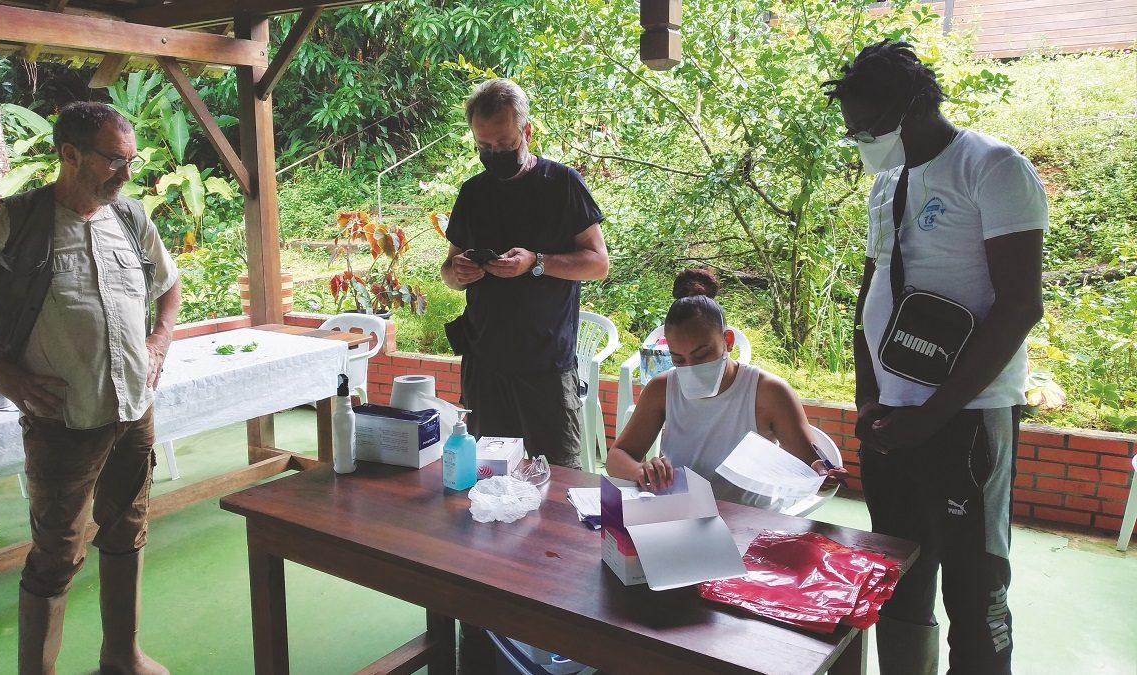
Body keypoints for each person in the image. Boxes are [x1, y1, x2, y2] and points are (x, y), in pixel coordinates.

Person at [824, 41, 1046, 675]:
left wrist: (934, 416)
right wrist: (868, 396)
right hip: (894, 414)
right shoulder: (890, 182)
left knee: (974, 585)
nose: (863, 140)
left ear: (917, 104)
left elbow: (1019, 304)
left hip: (968, 415)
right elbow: (872, 293)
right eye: (854, 130)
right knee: (897, 577)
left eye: (870, 127)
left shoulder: (993, 167)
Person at [0, 101, 181, 675]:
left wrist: (159, 342)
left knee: (127, 528)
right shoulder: (14, 223)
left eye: (131, 159)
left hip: (132, 411)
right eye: (115, 161)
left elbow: (168, 289)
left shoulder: (130, 219)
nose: (128, 173)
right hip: (62, 420)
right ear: (69, 155)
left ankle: (122, 656)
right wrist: (2, 374)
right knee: (57, 553)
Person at [441, 78, 609, 469]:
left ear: (526, 131)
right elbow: (448, 271)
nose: (495, 153)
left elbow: (599, 263)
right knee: (486, 473)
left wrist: (537, 262)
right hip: (484, 361)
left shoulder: (562, 185)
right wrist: (459, 271)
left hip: (545, 364)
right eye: (484, 147)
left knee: (559, 481)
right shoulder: (473, 193)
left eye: (504, 144)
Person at [606, 269, 845, 506]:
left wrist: (822, 477)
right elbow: (617, 457)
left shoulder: (768, 392)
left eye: (702, 355)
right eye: (678, 359)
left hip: (750, 523)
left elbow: (813, 467)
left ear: (728, 341)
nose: (690, 367)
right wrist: (641, 471)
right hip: (680, 513)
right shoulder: (663, 388)